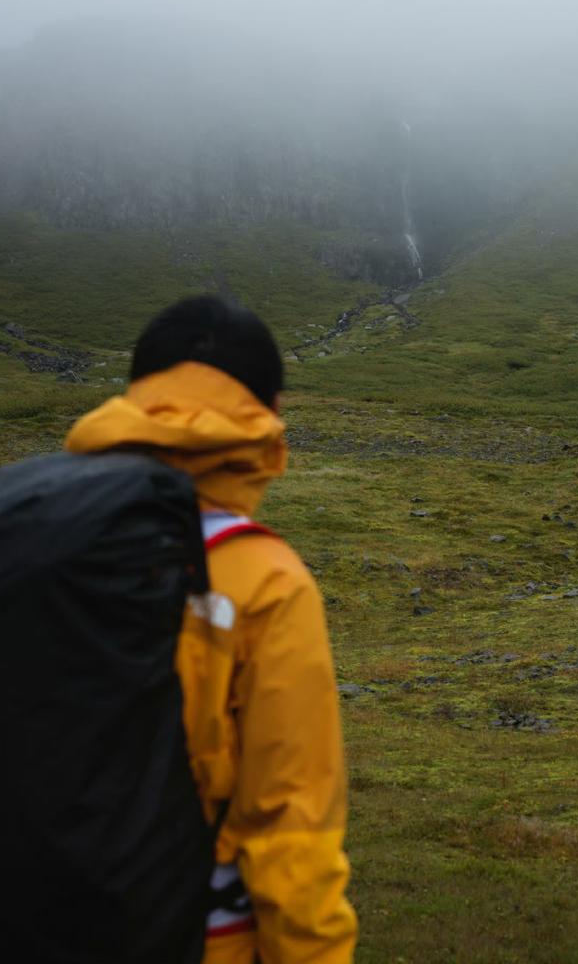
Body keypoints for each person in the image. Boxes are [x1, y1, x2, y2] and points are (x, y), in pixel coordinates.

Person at [64, 295, 357, 964]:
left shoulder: (26, 541)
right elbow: (291, 827)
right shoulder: (265, 581)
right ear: (271, 414)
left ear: (135, 404)